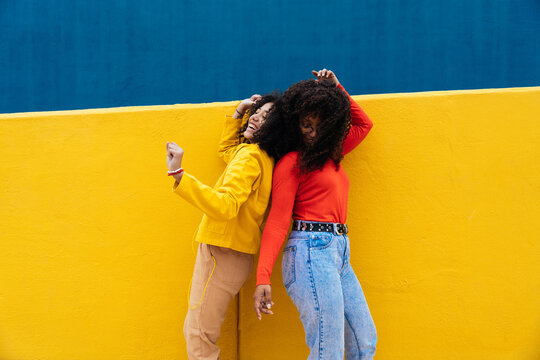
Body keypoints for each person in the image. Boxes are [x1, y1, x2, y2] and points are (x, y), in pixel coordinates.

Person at [253, 69, 377, 359]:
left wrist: (337, 87)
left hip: (339, 254)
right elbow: (278, 221)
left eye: (319, 126)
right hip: (310, 254)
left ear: (331, 126)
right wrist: (262, 277)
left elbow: (364, 124)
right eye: (305, 124)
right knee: (328, 351)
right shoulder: (292, 162)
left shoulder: (332, 154)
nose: (311, 132)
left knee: (364, 342)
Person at [166, 92, 280, 360]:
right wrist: (239, 114)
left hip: (221, 253)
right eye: (258, 112)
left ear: (276, 129)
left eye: (266, 118)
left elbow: (225, 206)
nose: (256, 118)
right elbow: (229, 152)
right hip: (235, 255)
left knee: (199, 335)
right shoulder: (261, 157)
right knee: (201, 332)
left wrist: (178, 175)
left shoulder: (250, 157)